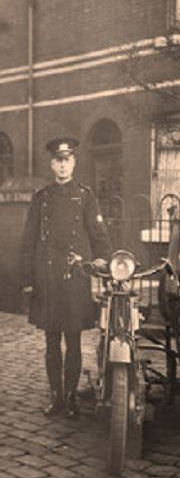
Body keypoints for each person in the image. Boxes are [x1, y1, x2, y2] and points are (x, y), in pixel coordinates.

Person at [20, 138, 111, 418]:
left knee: (72, 340)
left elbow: (99, 236)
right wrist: (27, 277)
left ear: (74, 162)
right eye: (57, 160)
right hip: (47, 278)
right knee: (50, 340)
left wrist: (103, 260)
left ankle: (71, 399)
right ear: (51, 164)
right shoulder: (41, 198)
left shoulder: (85, 196)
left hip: (74, 276)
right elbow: (29, 240)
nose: (62, 164)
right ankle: (56, 398)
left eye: (67, 159)